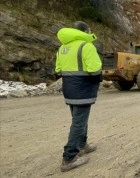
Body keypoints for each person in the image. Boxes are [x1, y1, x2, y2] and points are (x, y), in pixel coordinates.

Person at [55, 21, 102, 172]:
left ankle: (82, 145)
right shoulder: (86, 46)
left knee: (79, 119)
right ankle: (69, 158)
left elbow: (58, 69)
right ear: (86, 31)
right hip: (83, 89)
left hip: (69, 89)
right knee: (78, 122)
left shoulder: (62, 48)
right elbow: (95, 70)